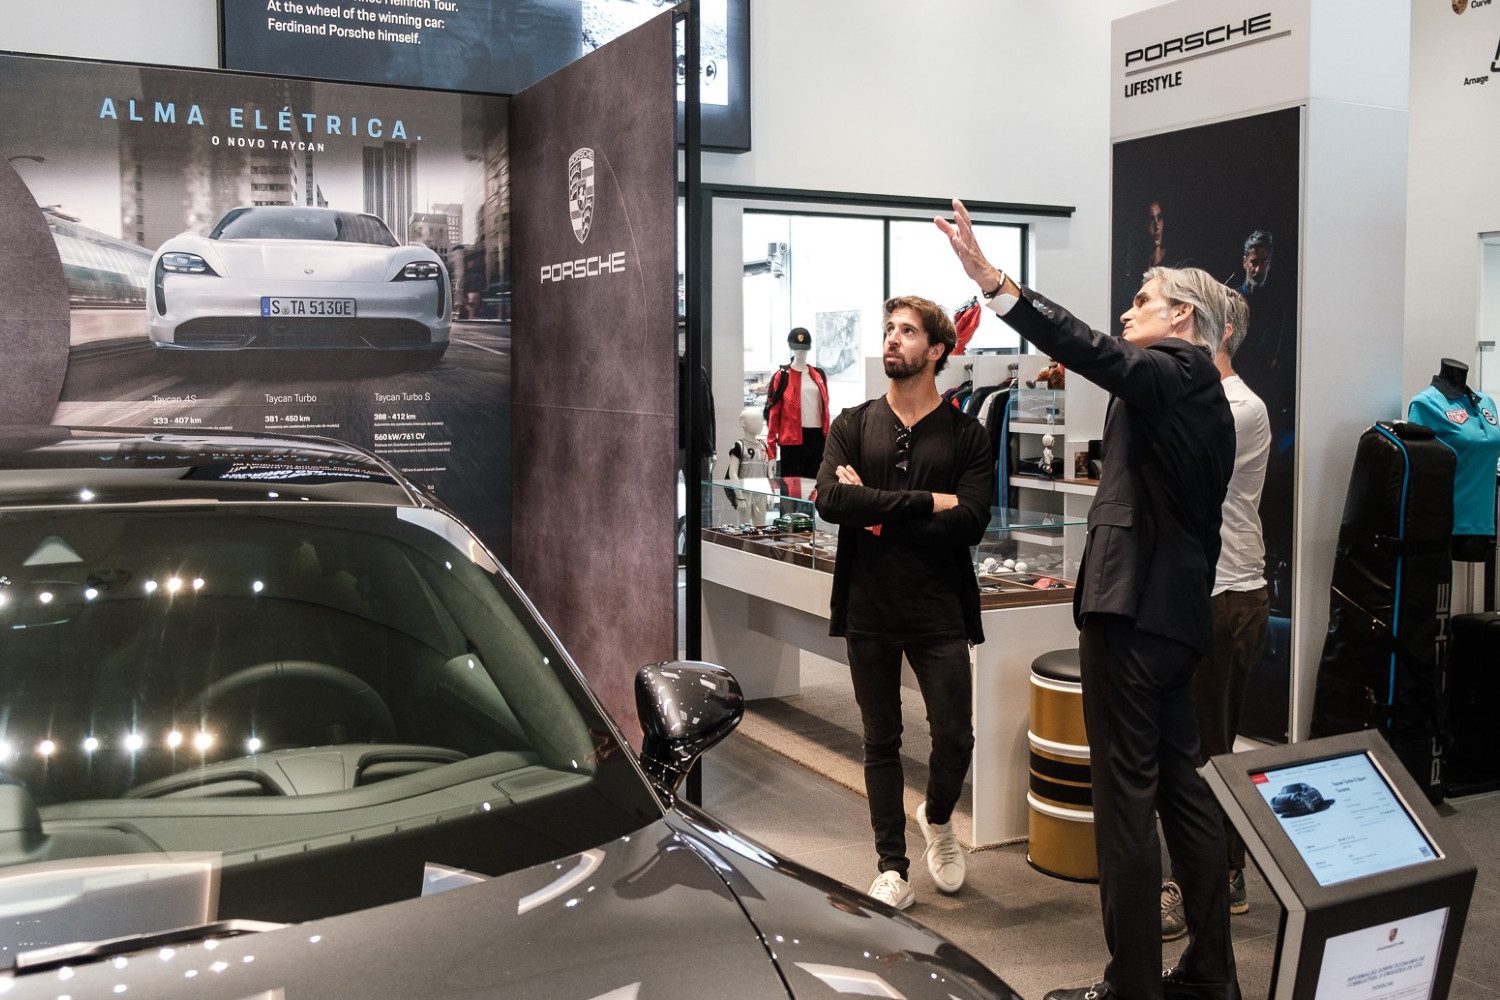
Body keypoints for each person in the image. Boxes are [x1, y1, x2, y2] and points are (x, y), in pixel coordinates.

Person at [937, 199, 1240, 1000]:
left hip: (1134, 615)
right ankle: (1209, 976)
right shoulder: (1196, 391)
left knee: (1127, 802)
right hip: (1172, 618)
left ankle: (1131, 987)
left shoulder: (1174, 371)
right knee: (1182, 789)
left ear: (1183, 316)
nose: (1126, 312)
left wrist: (999, 284)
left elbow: (1093, 351)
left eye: (1142, 301)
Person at [814, 295, 995, 911]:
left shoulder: (968, 433)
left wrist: (878, 510)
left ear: (937, 350)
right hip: (868, 604)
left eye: (908, 331)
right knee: (879, 739)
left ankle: (938, 818)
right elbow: (831, 503)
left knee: (955, 736)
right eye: (889, 329)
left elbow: (970, 521)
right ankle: (891, 866)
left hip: (939, 606)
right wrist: (925, 503)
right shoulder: (851, 422)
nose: (893, 339)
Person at [1160, 286, 1270, 940]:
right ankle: (1210, 872)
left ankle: (1214, 878)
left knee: (1207, 750)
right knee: (1189, 747)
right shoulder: (1200, 397)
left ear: (1220, 331)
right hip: (1193, 594)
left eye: (1190, 316)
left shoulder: (1241, 406)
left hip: (1227, 598)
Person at [765, 327, 831, 478]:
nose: (800, 352)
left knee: (815, 487)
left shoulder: (818, 374)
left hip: (817, 438)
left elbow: (825, 409)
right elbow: (773, 416)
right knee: (791, 491)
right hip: (792, 440)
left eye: (803, 349)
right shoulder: (781, 376)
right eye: (796, 348)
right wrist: (771, 452)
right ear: (791, 348)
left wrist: (828, 441)